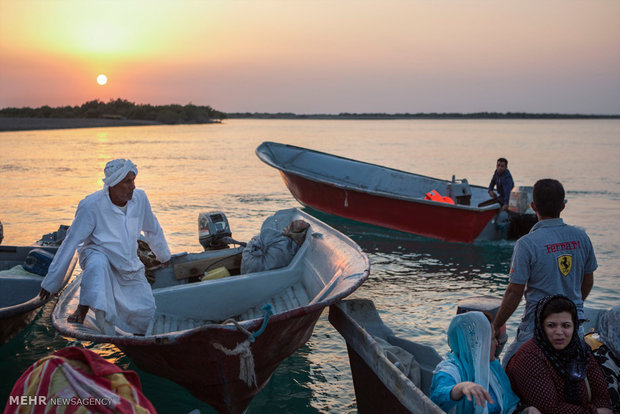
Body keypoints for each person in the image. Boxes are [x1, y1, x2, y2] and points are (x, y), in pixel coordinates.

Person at [39, 159, 171, 335]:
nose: (133, 186)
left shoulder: (140, 199)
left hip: (127, 260)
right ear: (113, 184)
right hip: (96, 251)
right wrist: (51, 283)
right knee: (97, 264)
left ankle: (138, 339)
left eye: (133, 180)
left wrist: (164, 256)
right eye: (127, 182)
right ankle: (83, 306)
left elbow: (152, 229)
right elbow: (71, 241)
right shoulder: (91, 205)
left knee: (145, 309)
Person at [492, 178, 597, 366]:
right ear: (563, 206)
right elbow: (588, 281)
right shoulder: (582, 238)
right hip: (572, 327)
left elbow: (514, 292)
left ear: (533, 206)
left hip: (536, 329)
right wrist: (570, 306)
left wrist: (496, 325)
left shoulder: (527, 244)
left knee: (508, 365)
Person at [506, 295, 612, 413]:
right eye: (551, 325)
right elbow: (550, 409)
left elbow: (602, 396)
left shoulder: (580, 351)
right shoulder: (528, 358)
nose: (559, 332)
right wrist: (595, 412)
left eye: (566, 325)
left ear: (574, 326)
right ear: (541, 326)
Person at [430, 311, 538, 414]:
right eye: (491, 339)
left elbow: (509, 405)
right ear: (477, 344)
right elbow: (437, 397)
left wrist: (527, 411)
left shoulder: (493, 366)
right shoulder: (449, 369)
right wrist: (461, 388)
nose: (497, 343)